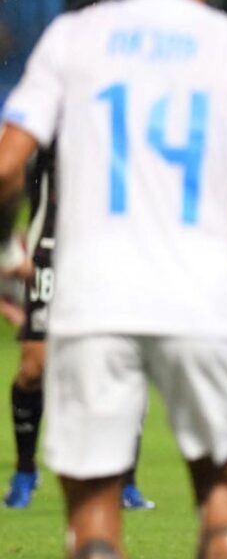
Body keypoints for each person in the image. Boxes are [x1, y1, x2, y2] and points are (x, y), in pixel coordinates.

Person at [0, 0, 227, 557]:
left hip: (93, 297)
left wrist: (2, 247)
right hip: (202, 299)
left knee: (93, 516)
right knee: (225, 502)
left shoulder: (72, 37)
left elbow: (6, 166)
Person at [3, 144, 155, 511]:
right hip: (49, 252)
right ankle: (25, 471)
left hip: (114, 251)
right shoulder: (50, 105)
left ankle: (125, 481)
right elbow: (8, 169)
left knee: (123, 361)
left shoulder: (125, 109)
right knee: (33, 366)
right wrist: (8, 248)